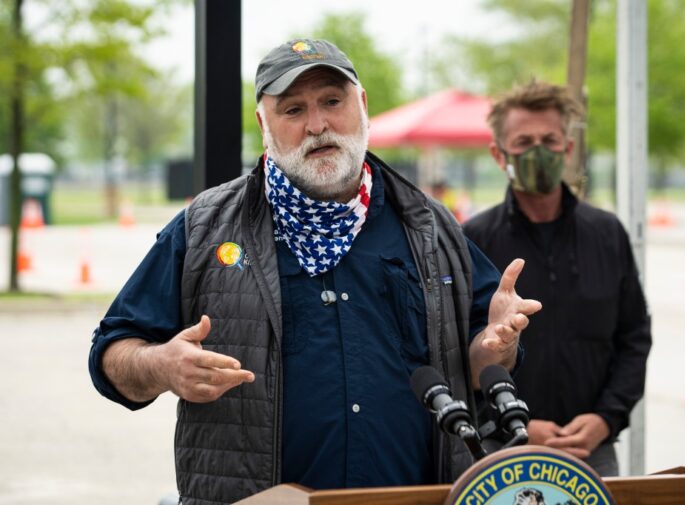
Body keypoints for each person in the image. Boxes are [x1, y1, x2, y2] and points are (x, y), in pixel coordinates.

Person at [88, 39, 541, 504]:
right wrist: (161, 366)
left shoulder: (430, 225)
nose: (318, 124)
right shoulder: (203, 229)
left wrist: (496, 346)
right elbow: (111, 355)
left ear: (362, 106)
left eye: (331, 101)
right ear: (264, 124)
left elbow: (483, 360)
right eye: (293, 110)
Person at [463, 81, 651, 476]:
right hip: (500, 451)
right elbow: (454, 353)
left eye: (550, 140)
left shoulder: (607, 233)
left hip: (592, 451)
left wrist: (605, 418)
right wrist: (513, 422)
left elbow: (634, 336)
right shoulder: (472, 240)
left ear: (568, 148)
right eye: (523, 141)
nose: (538, 151)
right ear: (499, 154)